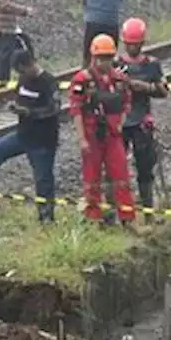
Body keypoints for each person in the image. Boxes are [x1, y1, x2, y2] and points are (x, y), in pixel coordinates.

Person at [0, 49, 60, 222]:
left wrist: (29, 112)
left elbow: (54, 109)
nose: (20, 74)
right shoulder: (23, 79)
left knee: (43, 179)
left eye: (20, 70)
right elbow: (21, 99)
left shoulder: (48, 82)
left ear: (27, 65)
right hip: (22, 136)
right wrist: (16, 107)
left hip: (43, 141)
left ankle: (46, 217)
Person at [71, 34, 136, 224]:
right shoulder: (82, 80)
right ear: (93, 57)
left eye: (108, 58)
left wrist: (120, 124)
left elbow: (127, 103)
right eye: (101, 58)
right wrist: (82, 139)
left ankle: (127, 218)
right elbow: (76, 111)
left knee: (121, 177)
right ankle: (93, 218)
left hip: (113, 136)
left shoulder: (120, 80)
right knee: (92, 180)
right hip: (92, 137)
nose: (104, 62)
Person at [116, 17, 168, 213]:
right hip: (121, 122)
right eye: (129, 44)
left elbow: (163, 91)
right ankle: (121, 209)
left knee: (145, 167)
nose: (132, 48)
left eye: (135, 44)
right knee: (116, 168)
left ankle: (147, 208)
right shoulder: (116, 63)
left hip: (141, 121)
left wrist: (143, 87)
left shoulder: (152, 64)